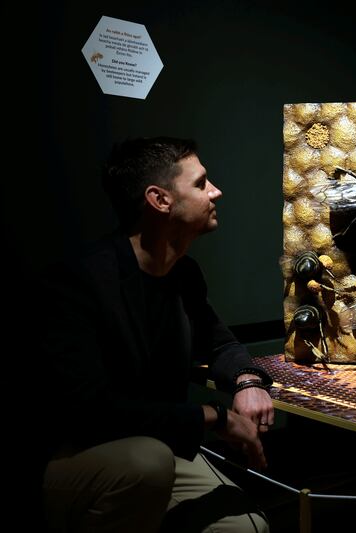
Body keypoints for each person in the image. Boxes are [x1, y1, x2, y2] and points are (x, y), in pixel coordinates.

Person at [38, 137, 274, 533]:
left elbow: (219, 342)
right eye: (200, 184)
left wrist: (248, 381)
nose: (216, 191)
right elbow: (91, 412)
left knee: (246, 528)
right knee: (147, 463)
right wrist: (214, 417)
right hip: (79, 454)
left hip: (156, 444)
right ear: (160, 200)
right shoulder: (80, 283)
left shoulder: (183, 274)